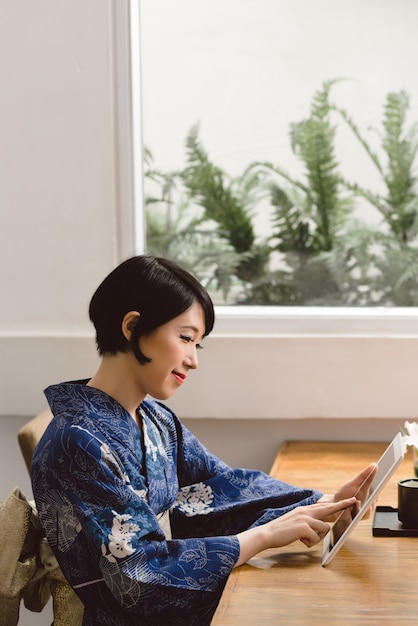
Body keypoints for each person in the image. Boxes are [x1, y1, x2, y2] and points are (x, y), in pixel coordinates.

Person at [31, 255, 377, 626]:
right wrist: (261, 538)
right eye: (185, 338)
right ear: (132, 327)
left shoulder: (155, 419)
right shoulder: (77, 443)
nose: (193, 360)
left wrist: (322, 505)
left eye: (197, 344)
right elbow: (138, 577)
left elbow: (221, 488)